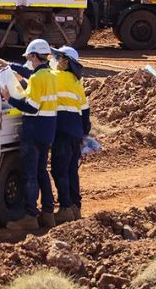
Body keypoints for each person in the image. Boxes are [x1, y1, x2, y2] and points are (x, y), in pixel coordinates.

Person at [0, 39, 59, 230]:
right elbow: (32, 73)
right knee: (42, 171)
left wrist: (10, 99)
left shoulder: (36, 79)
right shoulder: (52, 75)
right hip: (48, 129)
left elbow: (32, 108)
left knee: (30, 174)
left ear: (34, 56)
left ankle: (30, 216)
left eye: (29, 58)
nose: (29, 61)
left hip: (33, 129)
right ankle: (48, 213)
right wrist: (11, 66)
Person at [49, 45, 91, 224]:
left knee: (59, 170)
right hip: (76, 132)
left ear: (66, 62)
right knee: (72, 171)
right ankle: (75, 207)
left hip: (62, 131)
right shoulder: (75, 81)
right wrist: (83, 134)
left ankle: (65, 208)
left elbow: (35, 78)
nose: (55, 61)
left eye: (58, 58)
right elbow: (85, 110)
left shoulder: (55, 77)